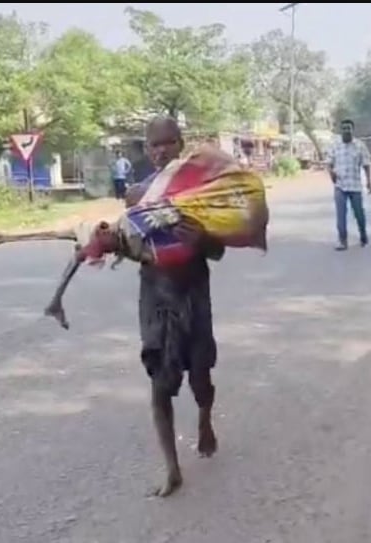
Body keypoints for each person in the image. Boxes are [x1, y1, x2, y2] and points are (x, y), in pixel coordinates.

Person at [124, 116, 224, 498]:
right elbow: (129, 246)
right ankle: (172, 468)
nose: (161, 150)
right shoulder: (137, 195)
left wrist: (201, 239)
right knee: (159, 384)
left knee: (200, 376)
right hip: (156, 296)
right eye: (154, 144)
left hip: (194, 291)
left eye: (168, 142)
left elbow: (218, 250)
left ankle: (205, 418)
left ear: (181, 144)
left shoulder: (200, 194)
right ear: (147, 150)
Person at [325, 119, 371, 251]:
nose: (346, 131)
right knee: (341, 215)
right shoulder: (335, 146)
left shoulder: (359, 146)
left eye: (349, 128)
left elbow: (366, 164)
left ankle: (363, 234)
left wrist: (369, 181)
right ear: (341, 130)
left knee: (359, 213)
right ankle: (342, 240)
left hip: (355, 185)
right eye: (344, 128)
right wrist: (331, 173)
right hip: (340, 185)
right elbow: (328, 163)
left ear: (352, 130)